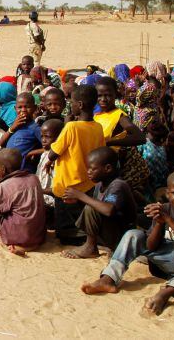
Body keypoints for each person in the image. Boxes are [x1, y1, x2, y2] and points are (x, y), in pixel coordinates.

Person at [81, 171, 174, 315]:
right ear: (167, 193)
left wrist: (169, 220)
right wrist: (159, 223)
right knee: (134, 234)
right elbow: (151, 246)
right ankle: (108, 278)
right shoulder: (163, 208)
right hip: (161, 261)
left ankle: (168, 291)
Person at [43, 85, 106, 244]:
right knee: (79, 216)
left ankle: (71, 238)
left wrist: (49, 161)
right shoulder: (98, 127)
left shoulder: (71, 127)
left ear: (80, 105)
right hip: (88, 183)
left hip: (67, 183)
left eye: (72, 103)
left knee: (64, 225)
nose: (70, 106)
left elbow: (54, 152)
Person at [62, 147, 137, 258]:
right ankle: (92, 245)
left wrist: (80, 195)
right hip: (110, 232)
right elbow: (96, 209)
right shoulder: (100, 185)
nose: (88, 172)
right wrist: (78, 200)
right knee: (90, 206)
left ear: (107, 168)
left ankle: (90, 247)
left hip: (124, 236)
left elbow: (108, 210)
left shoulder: (118, 185)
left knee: (90, 207)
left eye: (92, 169)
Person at [0, 148, 47, 255]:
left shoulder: (2, 187)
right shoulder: (34, 178)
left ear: (3, 169)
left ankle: (18, 244)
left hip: (18, 238)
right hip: (39, 237)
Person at [3, 93, 42, 173]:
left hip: (24, 171)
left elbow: (51, 147)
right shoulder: (14, 126)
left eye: (27, 107)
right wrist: (12, 128)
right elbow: (1, 143)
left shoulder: (35, 128)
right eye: (20, 107)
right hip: (9, 170)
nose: (23, 110)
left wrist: (31, 153)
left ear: (34, 108)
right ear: (15, 108)